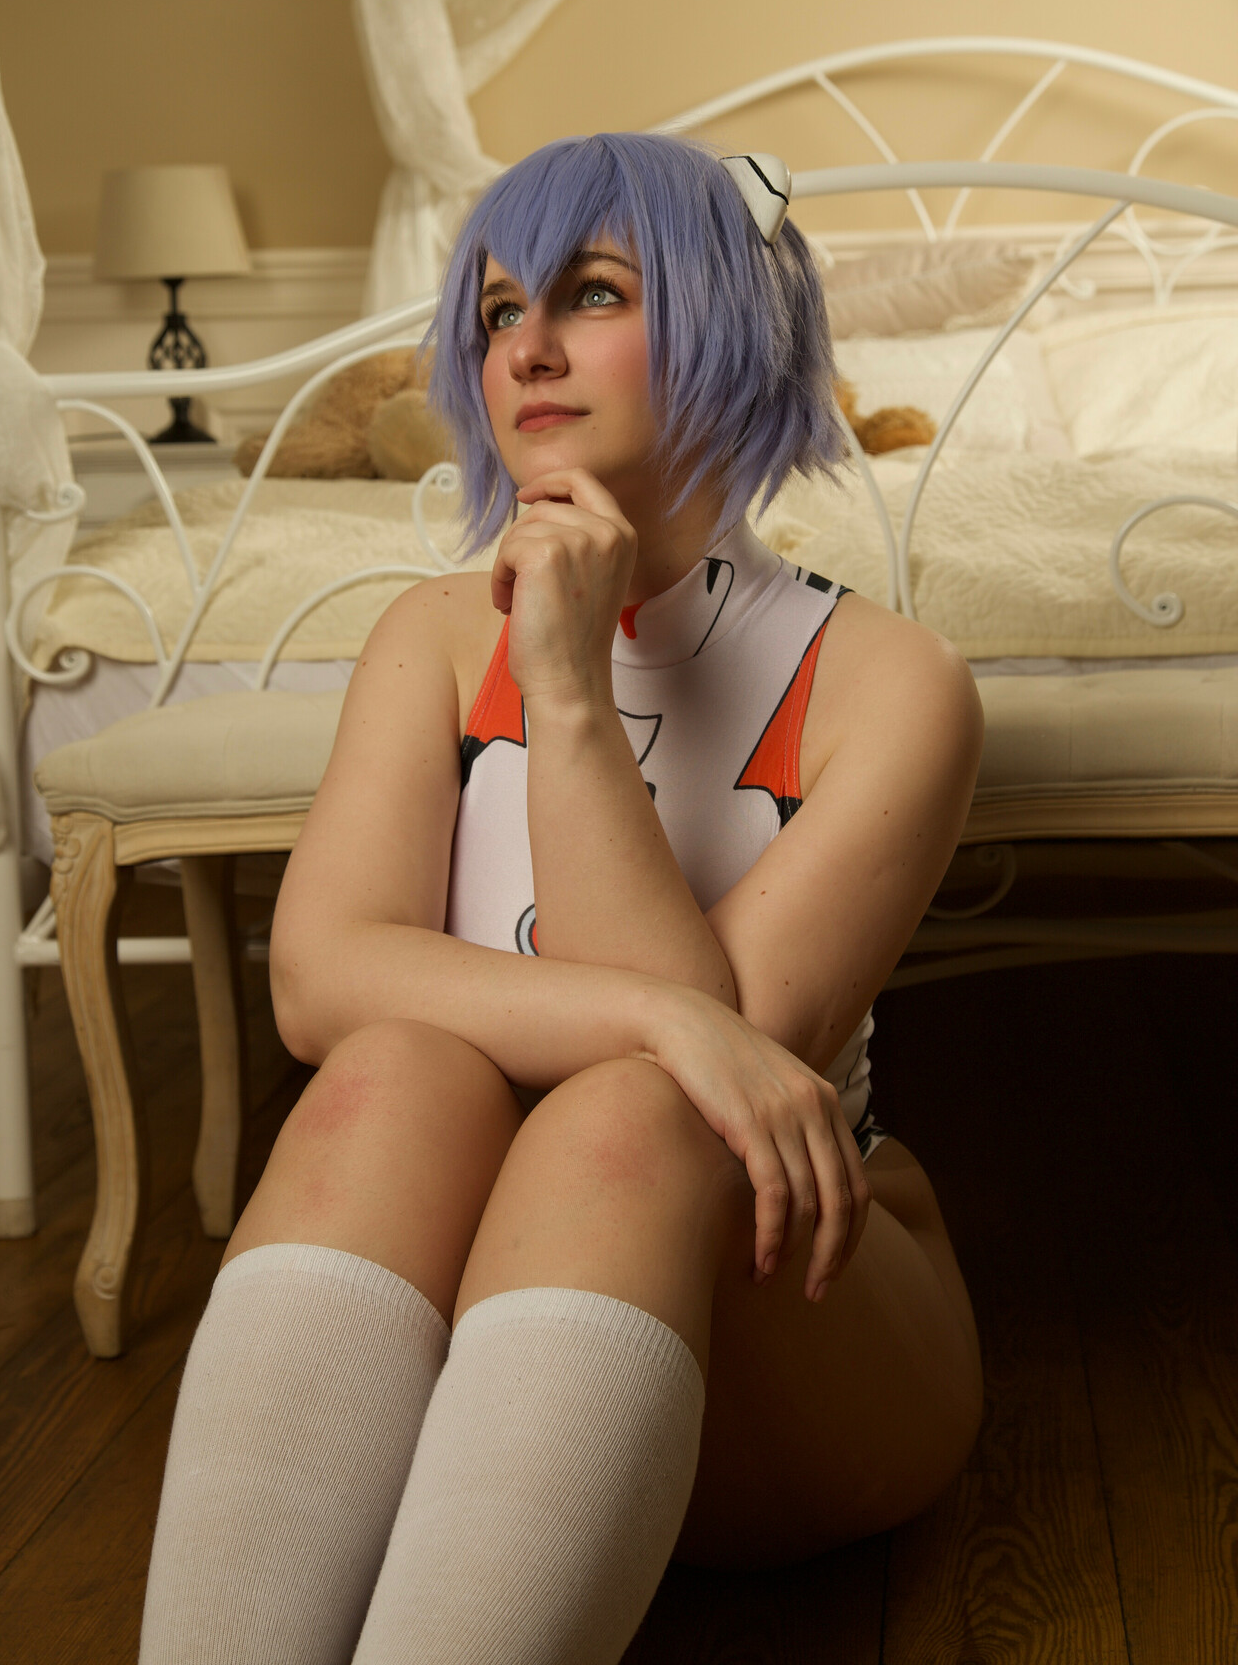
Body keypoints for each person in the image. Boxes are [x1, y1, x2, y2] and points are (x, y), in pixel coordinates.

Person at [138, 132, 985, 1665]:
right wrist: (671, 1016)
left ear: (732, 317)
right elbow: (320, 980)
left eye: (591, 294)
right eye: (495, 310)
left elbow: (707, 1086)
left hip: (794, 1332)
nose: (524, 347)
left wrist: (571, 691)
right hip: (474, 1358)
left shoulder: (893, 683)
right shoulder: (427, 634)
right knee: (388, 1071)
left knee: (630, 1115)